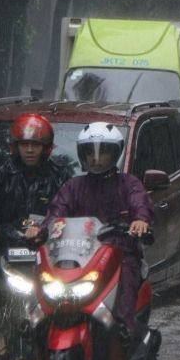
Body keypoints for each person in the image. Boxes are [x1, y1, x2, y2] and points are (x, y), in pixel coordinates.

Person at [0, 113, 71, 360]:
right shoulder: (1, 174)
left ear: (45, 148)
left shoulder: (59, 176)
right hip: (7, 247)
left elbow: (68, 211)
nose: (29, 150)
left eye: (35, 145)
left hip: (47, 249)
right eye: (25, 144)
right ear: (15, 147)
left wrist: (46, 230)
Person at [45, 122, 153, 336]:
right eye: (90, 152)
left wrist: (140, 220)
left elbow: (140, 203)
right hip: (79, 257)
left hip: (120, 255)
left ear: (115, 154)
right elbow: (56, 212)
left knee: (128, 280)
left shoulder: (128, 183)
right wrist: (41, 228)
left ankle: (125, 331)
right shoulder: (73, 186)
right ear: (82, 154)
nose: (96, 158)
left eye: (103, 152)